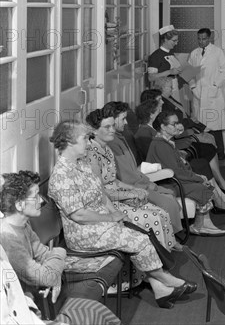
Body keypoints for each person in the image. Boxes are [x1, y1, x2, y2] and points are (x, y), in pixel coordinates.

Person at [48, 121, 195, 309]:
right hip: (85, 234)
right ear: (69, 142)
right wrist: (110, 218)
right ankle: (168, 280)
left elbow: (100, 191)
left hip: (101, 223)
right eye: (84, 138)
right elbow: (79, 216)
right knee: (141, 242)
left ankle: (160, 290)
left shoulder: (82, 163)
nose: (88, 141)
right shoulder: (62, 175)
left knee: (143, 232)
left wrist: (114, 212)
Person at [0, 171, 122, 325]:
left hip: (38, 295)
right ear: (19, 204)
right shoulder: (7, 237)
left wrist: (54, 275)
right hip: (27, 309)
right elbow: (45, 274)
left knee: (97, 309)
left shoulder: (23, 226)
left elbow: (44, 255)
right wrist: (60, 252)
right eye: (36, 196)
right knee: (90, 313)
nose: (41, 201)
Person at [85, 109, 179, 253]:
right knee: (153, 217)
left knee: (162, 213)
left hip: (116, 194)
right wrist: (129, 195)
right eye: (107, 127)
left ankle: (164, 255)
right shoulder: (91, 155)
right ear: (94, 131)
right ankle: (153, 265)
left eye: (112, 126)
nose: (112, 130)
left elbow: (113, 180)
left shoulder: (106, 149)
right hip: (106, 203)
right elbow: (100, 192)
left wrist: (134, 189)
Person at [103, 101, 186, 240]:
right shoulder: (113, 143)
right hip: (132, 188)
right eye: (123, 119)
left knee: (169, 195)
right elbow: (126, 176)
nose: (126, 123)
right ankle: (170, 241)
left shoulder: (120, 138)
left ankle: (169, 239)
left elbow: (132, 172)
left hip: (137, 183)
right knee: (168, 201)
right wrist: (152, 186)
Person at [146, 110, 225, 236]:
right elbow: (175, 171)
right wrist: (197, 178)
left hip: (173, 178)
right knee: (200, 186)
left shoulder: (166, 142)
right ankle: (201, 225)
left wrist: (196, 176)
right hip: (167, 182)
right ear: (163, 127)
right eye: (174, 124)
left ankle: (202, 224)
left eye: (178, 123)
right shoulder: (160, 145)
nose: (178, 126)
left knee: (202, 182)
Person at [152, 77, 225, 196]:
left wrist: (195, 124)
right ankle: (218, 186)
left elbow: (184, 117)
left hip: (185, 130)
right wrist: (193, 128)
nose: (172, 89)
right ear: (161, 89)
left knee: (209, 141)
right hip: (181, 137)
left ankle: (218, 183)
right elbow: (177, 125)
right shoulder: (164, 106)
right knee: (208, 141)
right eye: (169, 87)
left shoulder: (169, 99)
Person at [188, 28, 225, 161]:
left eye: (204, 39)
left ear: (209, 38)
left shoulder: (218, 52)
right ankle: (204, 154)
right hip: (198, 93)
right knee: (200, 125)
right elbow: (188, 73)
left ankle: (220, 154)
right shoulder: (194, 53)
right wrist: (193, 86)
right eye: (199, 39)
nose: (201, 41)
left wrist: (215, 85)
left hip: (213, 94)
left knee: (215, 127)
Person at [147, 25, 186, 90]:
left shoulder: (171, 53)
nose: (176, 43)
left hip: (174, 88)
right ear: (165, 39)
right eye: (174, 41)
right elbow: (151, 77)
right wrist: (170, 72)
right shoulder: (156, 56)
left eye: (177, 41)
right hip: (163, 90)